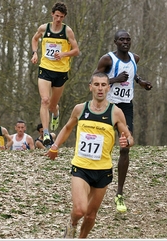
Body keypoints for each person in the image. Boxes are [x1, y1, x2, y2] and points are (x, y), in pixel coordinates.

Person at [46, 72, 134, 238]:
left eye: (103, 85)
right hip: (81, 167)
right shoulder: (80, 109)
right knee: (80, 210)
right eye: (96, 84)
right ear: (90, 87)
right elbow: (67, 128)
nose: (100, 88)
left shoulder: (116, 112)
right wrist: (55, 146)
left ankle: (81, 238)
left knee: (91, 215)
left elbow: (129, 137)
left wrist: (127, 142)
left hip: (103, 170)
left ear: (108, 88)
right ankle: (71, 224)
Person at [93, 29, 152, 213]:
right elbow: (94, 80)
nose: (125, 42)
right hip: (108, 106)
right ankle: (94, 186)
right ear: (115, 42)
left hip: (126, 107)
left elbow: (132, 74)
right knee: (103, 147)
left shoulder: (135, 58)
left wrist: (141, 82)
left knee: (125, 147)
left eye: (128, 39)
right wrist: (114, 80)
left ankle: (119, 193)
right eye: (121, 40)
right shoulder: (107, 60)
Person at [31, 2, 80, 146]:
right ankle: (46, 133)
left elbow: (76, 51)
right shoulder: (43, 28)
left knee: (52, 105)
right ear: (52, 14)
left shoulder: (67, 31)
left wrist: (64, 54)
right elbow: (35, 39)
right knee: (45, 100)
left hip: (61, 72)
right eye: (56, 16)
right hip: (45, 69)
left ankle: (56, 112)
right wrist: (35, 53)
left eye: (61, 17)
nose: (58, 19)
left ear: (64, 17)